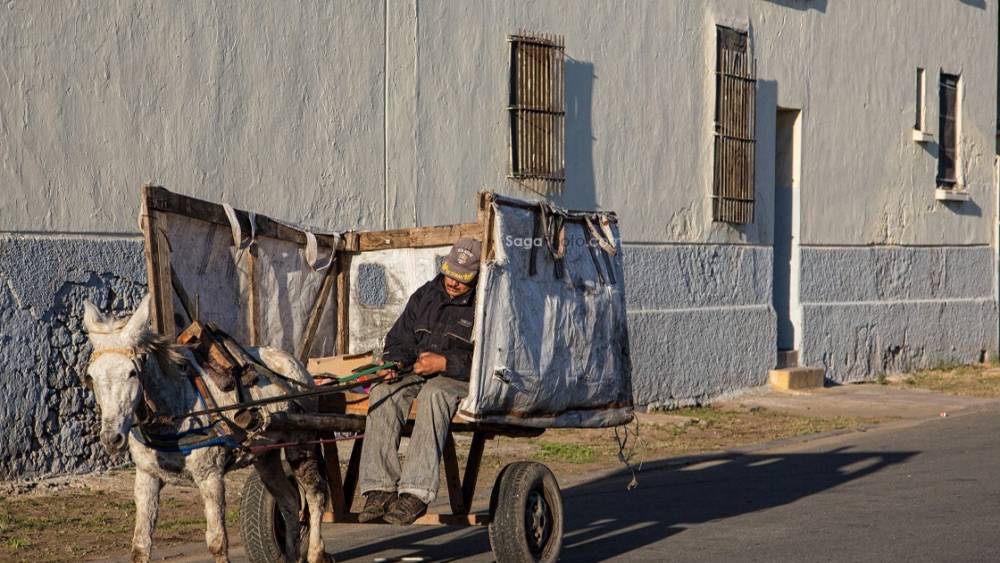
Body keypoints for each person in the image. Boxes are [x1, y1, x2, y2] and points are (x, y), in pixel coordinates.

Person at [357, 236, 482, 525]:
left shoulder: (485, 302)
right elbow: (399, 339)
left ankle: (415, 492)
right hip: (416, 371)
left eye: (463, 279)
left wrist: (446, 362)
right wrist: (394, 363)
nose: (454, 283)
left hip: (458, 378)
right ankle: (379, 489)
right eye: (451, 274)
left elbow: (490, 358)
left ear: (476, 277)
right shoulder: (426, 294)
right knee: (382, 392)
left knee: (434, 394)